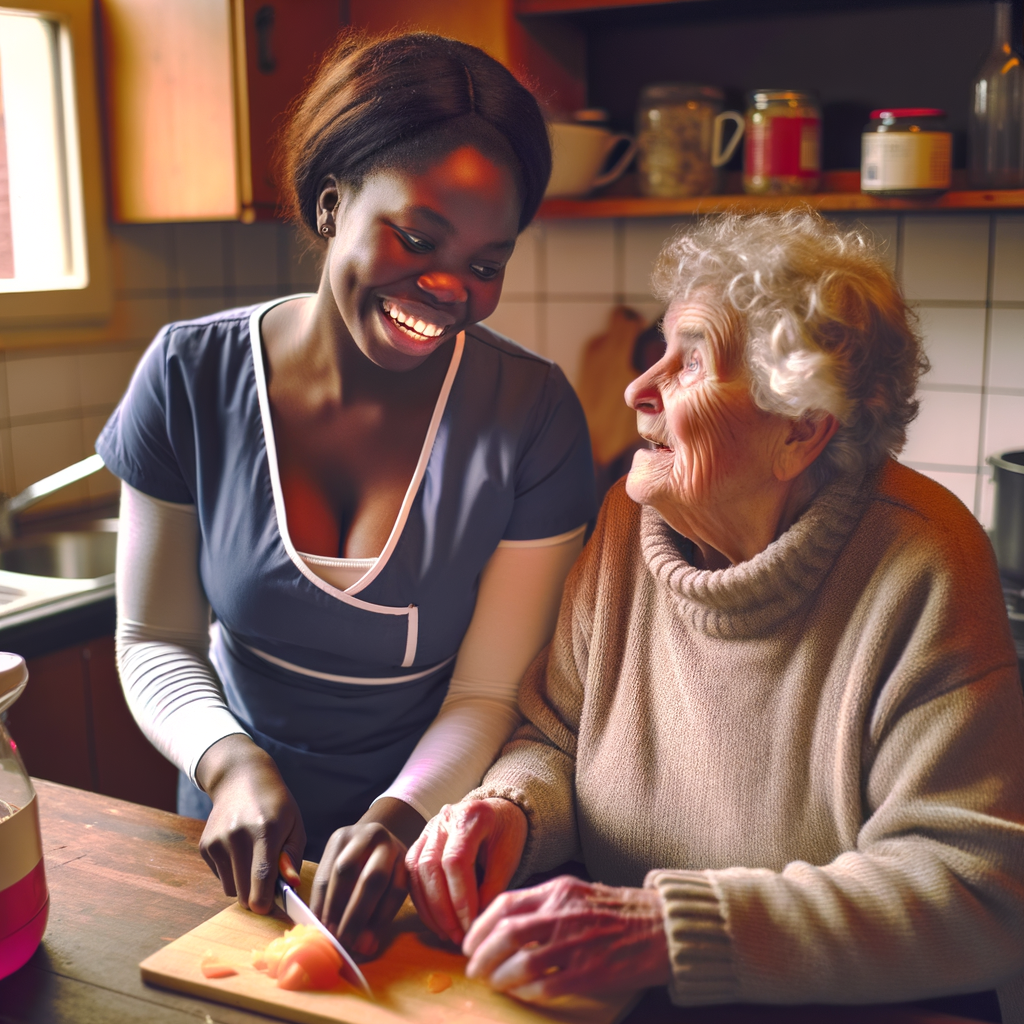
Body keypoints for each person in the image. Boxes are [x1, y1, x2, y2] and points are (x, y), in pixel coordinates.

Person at [406, 210, 1024, 1020]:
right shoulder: (631, 526)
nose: (639, 388)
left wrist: (670, 929)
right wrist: (511, 810)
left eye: (690, 362)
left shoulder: (924, 564)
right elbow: (554, 735)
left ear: (800, 430)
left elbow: (973, 889)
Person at [97, 31, 595, 958]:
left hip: (427, 849)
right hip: (229, 838)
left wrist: (403, 819)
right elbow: (152, 639)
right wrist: (231, 763)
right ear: (332, 204)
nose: (450, 286)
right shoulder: (189, 375)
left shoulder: (533, 417)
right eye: (417, 236)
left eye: (488, 264)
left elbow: (489, 691)